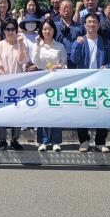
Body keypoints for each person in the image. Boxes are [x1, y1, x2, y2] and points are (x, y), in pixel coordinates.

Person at [71, 12, 110, 153]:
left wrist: (106, 67)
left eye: (94, 22)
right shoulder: (80, 40)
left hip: (101, 82)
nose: (92, 24)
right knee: (82, 112)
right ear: (85, 25)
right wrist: (77, 45)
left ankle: (100, 142)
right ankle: (84, 141)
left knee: (102, 112)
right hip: (83, 82)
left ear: (98, 24)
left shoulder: (105, 42)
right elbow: (74, 59)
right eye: (89, 22)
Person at [31, 19, 68, 151]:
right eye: (45, 29)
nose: (47, 31)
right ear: (41, 31)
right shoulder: (37, 45)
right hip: (41, 80)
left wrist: (59, 66)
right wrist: (37, 45)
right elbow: (35, 62)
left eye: (50, 29)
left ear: (54, 31)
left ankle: (56, 141)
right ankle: (43, 141)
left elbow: (65, 64)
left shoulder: (60, 46)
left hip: (56, 80)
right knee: (42, 110)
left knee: (56, 109)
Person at [0, 20, 28, 150]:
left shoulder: (22, 45)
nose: (11, 32)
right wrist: (7, 81)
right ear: (4, 31)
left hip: (19, 85)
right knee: (2, 113)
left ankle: (14, 139)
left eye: (13, 29)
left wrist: (20, 44)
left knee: (17, 113)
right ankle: (2, 140)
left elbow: (21, 61)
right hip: (3, 84)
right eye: (8, 29)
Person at [54, 0, 83, 68]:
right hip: (58, 61)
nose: (67, 10)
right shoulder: (54, 26)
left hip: (75, 61)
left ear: (72, 11)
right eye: (64, 8)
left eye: (69, 8)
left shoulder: (79, 26)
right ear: (59, 10)